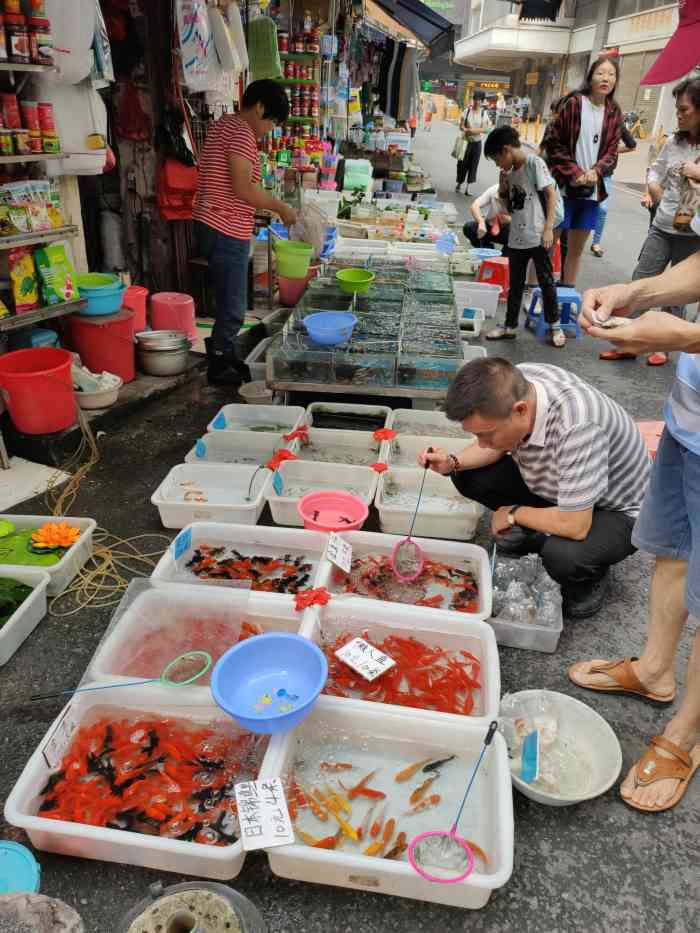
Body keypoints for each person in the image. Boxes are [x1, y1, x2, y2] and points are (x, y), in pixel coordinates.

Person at [569, 215, 700, 811]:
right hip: (690, 419)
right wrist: (632, 293)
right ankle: (654, 670)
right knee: (671, 546)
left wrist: (688, 338)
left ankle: (684, 736)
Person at [419, 358, 650, 618]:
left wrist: (514, 513)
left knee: (564, 555)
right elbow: (490, 449)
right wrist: (452, 463)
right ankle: (539, 531)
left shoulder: (577, 425)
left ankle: (589, 574)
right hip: (564, 484)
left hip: (615, 510)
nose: (482, 444)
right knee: (466, 474)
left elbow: (576, 524)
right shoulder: (517, 380)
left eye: (487, 434)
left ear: (520, 410)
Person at [194, 80, 297, 386]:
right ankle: (220, 362)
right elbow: (242, 187)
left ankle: (225, 356)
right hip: (225, 226)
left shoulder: (224, 126)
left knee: (228, 297)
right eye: (273, 121)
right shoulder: (241, 133)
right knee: (234, 304)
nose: (270, 129)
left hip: (212, 221)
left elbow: (230, 184)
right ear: (260, 107)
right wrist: (280, 206)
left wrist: (262, 205)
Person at [599, 77, 700, 366]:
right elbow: (654, 170)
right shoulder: (673, 141)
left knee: (676, 292)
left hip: (692, 232)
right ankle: (628, 340)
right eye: (677, 109)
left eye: (685, 109)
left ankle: (663, 345)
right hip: (663, 223)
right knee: (642, 278)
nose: (679, 114)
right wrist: (653, 187)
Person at [483, 125, 566, 347]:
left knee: (546, 281)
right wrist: (502, 190)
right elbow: (512, 208)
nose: (498, 164)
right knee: (516, 283)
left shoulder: (534, 163)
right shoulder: (510, 173)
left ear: (506, 150)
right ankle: (510, 326)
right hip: (518, 235)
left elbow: (549, 194)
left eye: (497, 159)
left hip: (539, 235)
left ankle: (555, 326)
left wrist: (548, 228)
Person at [545, 56, 623, 290]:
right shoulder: (574, 104)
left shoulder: (614, 111)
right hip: (563, 188)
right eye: (601, 73)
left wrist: (596, 172)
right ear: (590, 77)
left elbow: (612, 152)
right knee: (549, 244)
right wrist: (575, 172)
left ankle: (565, 292)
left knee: (576, 251)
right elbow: (553, 142)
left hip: (591, 192)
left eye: (611, 74)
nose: (605, 78)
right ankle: (537, 291)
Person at [589, 124, 637, 258]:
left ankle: (596, 242)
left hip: (606, 174)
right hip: (588, 171)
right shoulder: (593, 121)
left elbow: (632, 145)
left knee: (602, 209)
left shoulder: (619, 126)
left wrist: (616, 150)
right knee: (585, 204)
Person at [455, 90, 491, 195]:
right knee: (462, 164)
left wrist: (472, 131)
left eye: (479, 100)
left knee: (473, 165)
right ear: (473, 100)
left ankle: (468, 187)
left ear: (482, 101)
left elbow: (484, 129)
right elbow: (461, 125)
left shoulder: (484, 113)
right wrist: (465, 129)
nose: (477, 102)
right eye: (475, 99)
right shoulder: (467, 111)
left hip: (477, 143)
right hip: (465, 142)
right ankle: (459, 183)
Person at [462, 183, 510, 250]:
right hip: (490, 226)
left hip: (510, 232)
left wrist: (509, 219)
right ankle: (487, 249)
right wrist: (481, 222)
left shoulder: (522, 195)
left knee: (516, 235)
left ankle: (507, 256)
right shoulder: (495, 189)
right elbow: (475, 206)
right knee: (469, 227)